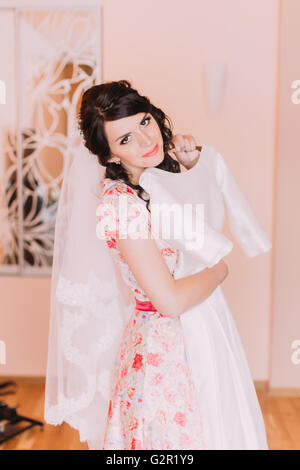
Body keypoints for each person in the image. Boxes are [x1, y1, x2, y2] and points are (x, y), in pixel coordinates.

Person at [78, 79, 229, 449]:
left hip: (193, 336)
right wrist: (220, 270)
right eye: (125, 139)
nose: (146, 141)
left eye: (144, 122)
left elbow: (202, 234)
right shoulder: (121, 205)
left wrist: (193, 168)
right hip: (163, 354)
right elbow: (170, 301)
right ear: (112, 156)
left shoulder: (159, 179)